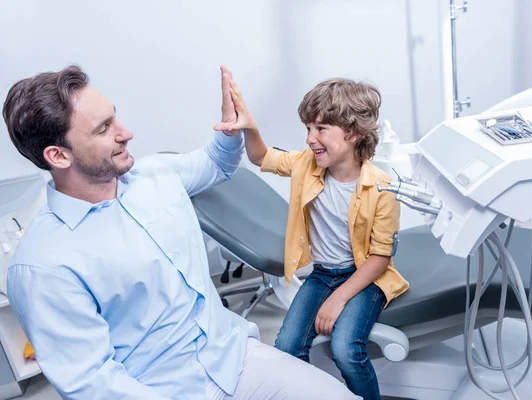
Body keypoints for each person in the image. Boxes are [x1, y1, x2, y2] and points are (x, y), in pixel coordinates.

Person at [2, 65, 360, 400]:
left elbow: (216, 162)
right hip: (164, 389)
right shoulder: (42, 267)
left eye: (114, 118)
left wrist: (232, 129)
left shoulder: (154, 175)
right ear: (58, 156)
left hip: (237, 358)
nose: (126, 133)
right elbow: (94, 384)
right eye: (103, 129)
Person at [214, 70, 410, 400]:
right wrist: (248, 125)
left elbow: (379, 259)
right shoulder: (307, 164)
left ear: (352, 133)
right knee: (287, 348)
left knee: (346, 348)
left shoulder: (381, 187)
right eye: (308, 128)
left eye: (320, 128)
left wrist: (338, 299)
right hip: (321, 275)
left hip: (365, 278)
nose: (309, 138)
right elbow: (260, 156)